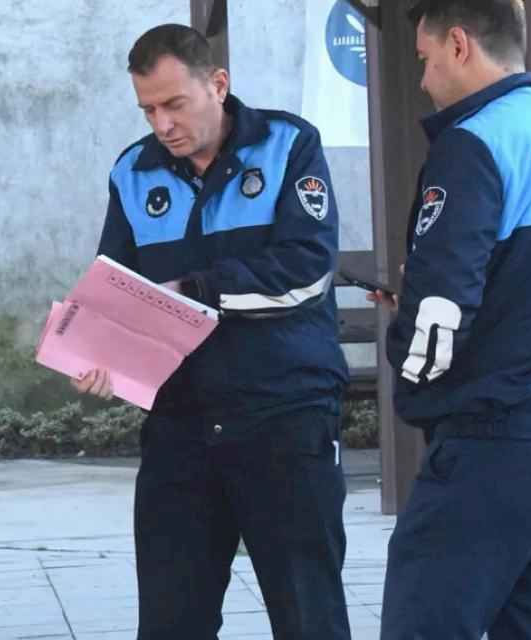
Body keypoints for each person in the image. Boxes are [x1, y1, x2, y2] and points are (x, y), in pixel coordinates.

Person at [73, 24, 352, 639]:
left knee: (309, 618)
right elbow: (116, 288)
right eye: (148, 110)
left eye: (174, 104)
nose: (163, 124)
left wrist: (195, 290)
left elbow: (306, 271)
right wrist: (96, 353)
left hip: (284, 416)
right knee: (170, 623)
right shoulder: (132, 171)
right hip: (180, 427)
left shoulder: (288, 145)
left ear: (218, 85)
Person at [370, 2, 531, 637]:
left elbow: (436, 317)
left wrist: (412, 356)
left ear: (459, 44)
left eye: (426, 59)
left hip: (494, 441)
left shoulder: (472, 144)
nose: (423, 81)